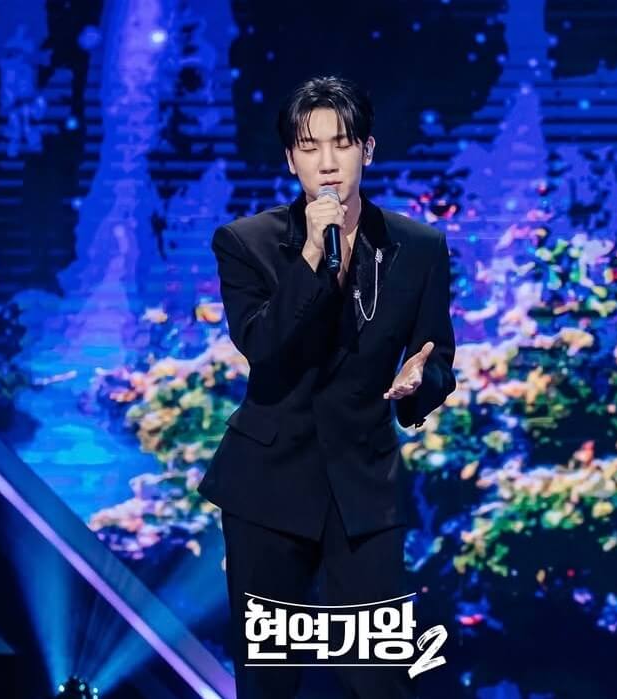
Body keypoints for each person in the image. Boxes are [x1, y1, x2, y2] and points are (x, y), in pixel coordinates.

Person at [197, 75, 456, 699]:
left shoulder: (418, 248)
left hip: (363, 486)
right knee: (269, 679)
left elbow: (437, 355)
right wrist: (312, 254)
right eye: (309, 146)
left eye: (341, 143)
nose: (328, 161)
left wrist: (420, 382)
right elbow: (262, 345)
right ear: (291, 159)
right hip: (268, 485)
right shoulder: (247, 244)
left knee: (380, 680)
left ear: (367, 149)